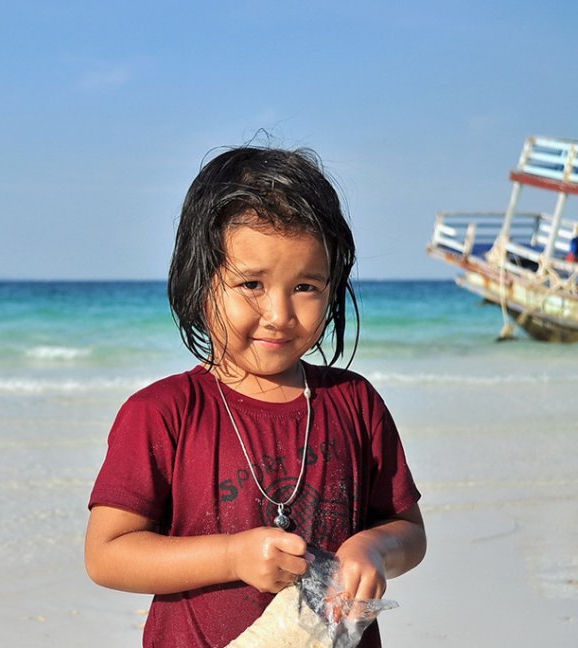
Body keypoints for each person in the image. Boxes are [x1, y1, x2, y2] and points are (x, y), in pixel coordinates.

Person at [85, 145, 426, 647]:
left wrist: (374, 549)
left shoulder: (354, 403)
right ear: (199, 282)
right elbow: (106, 555)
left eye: (306, 286)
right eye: (251, 283)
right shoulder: (163, 413)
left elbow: (409, 531)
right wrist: (231, 556)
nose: (280, 313)